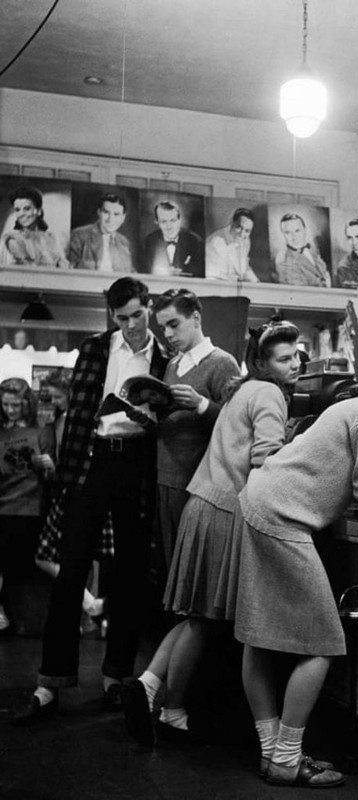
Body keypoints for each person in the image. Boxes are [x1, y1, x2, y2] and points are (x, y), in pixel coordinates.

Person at [234, 346, 358, 787]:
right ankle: (286, 757)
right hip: (283, 515)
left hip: (260, 502)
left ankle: (271, 753)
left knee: (258, 636)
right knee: (323, 640)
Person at [121, 321, 301, 747]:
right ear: (263, 362)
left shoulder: (243, 388)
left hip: (200, 503)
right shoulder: (271, 393)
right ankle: (172, 709)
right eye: (283, 358)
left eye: (296, 355)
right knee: (204, 620)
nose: (293, 364)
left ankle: (148, 684)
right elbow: (266, 462)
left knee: (194, 616)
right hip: (224, 510)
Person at [12, 277, 168, 726]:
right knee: (69, 572)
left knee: (130, 575)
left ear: (149, 308)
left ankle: (116, 677)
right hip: (93, 461)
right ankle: (49, 683)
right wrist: (67, 478)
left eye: (139, 315)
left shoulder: (163, 355)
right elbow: (80, 415)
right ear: (111, 317)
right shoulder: (96, 348)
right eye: (123, 318)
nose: (133, 325)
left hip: (138, 465)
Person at [153, 288, 240, 571]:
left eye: (173, 324)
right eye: (163, 327)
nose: (167, 334)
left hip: (197, 483)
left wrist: (200, 403)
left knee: (193, 568)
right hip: (166, 476)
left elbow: (235, 426)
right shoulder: (173, 365)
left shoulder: (222, 363)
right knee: (169, 567)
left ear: (196, 318)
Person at [35, 370, 108, 623]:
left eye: (57, 396)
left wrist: (54, 468)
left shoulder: (68, 420)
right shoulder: (63, 420)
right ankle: (89, 606)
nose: (53, 402)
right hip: (67, 492)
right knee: (72, 557)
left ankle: (88, 607)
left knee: (51, 557)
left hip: (70, 493)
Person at [0, 378, 54, 633]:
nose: (10, 410)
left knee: (23, 567)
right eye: (6, 405)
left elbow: (51, 477)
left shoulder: (40, 430)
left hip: (30, 506)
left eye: (15, 405)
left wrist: (49, 466)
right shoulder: (2, 430)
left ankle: (23, 619)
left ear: (26, 404)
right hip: (4, 504)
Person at [1, 186, 69, 268]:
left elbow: (62, 264)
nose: (21, 214)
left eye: (27, 209)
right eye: (18, 210)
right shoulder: (13, 240)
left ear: (38, 211)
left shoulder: (51, 238)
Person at [69, 192, 134, 272]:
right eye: (106, 212)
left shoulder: (124, 241)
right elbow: (69, 270)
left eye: (116, 214)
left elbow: (129, 272)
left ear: (123, 218)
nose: (110, 219)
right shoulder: (80, 235)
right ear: (99, 213)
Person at [143, 201, 204, 277]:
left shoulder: (195, 241)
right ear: (156, 222)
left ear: (180, 220)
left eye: (173, 221)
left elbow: (198, 274)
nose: (169, 227)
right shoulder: (149, 241)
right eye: (164, 222)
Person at [275, 213, 331, 287]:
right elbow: (303, 294)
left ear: (305, 230)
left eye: (297, 230)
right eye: (288, 232)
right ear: (283, 234)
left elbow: (323, 271)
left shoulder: (312, 248)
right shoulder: (285, 263)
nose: (294, 236)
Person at [205, 208, 258, 281]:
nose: (242, 234)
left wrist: (256, 282)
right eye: (239, 227)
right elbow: (214, 277)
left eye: (247, 231)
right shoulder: (215, 243)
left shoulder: (245, 240)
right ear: (232, 223)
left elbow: (245, 267)